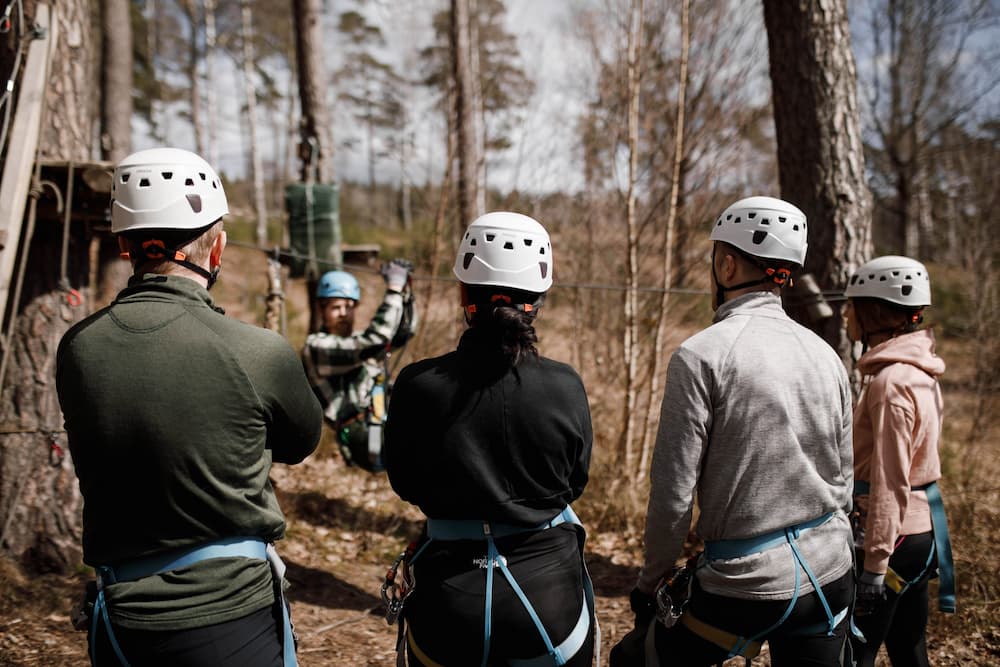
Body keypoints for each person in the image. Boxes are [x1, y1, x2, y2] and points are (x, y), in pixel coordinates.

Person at [56, 147, 324, 667]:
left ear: (123, 244)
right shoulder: (258, 351)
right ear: (216, 247)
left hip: (119, 621)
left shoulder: (78, 347)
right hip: (231, 617)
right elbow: (301, 441)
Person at [612, 196, 856, 666]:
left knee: (629, 661)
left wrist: (651, 583)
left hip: (743, 585)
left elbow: (672, 494)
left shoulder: (701, 355)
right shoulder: (826, 356)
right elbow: (842, 481)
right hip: (829, 574)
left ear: (726, 265)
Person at [382, 212, 596, 667]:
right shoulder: (565, 385)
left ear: (463, 292)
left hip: (447, 606)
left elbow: (404, 483)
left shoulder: (417, 384)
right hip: (551, 608)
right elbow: (574, 482)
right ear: (537, 301)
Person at [844, 255, 955, 667]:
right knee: (909, 649)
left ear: (873, 312)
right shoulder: (918, 373)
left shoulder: (890, 384)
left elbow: (890, 480)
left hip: (891, 538)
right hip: (921, 533)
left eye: (851, 306)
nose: (845, 316)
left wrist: (875, 563)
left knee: (855, 653)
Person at [300, 259, 417, 472]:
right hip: (362, 435)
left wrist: (405, 292)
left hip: (380, 422)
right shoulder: (317, 347)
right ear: (321, 309)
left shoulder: (355, 344)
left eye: (349, 306)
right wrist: (393, 289)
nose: (344, 313)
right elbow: (377, 340)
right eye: (336, 307)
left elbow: (403, 332)